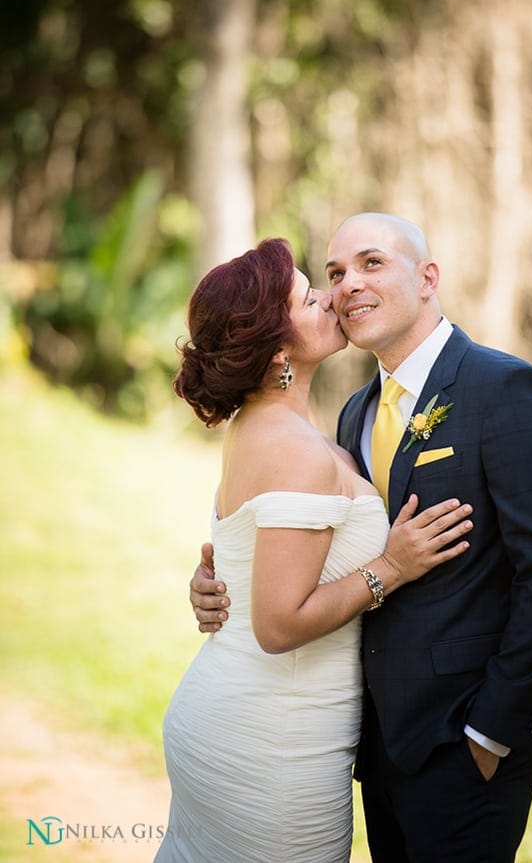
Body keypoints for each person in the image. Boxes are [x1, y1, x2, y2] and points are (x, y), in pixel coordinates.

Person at [192, 214, 532, 863]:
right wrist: (222, 580)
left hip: (467, 742)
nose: (349, 284)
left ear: (427, 278)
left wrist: (491, 733)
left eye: (372, 262)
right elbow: (313, 541)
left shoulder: (506, 390)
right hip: (375, 745)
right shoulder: (356, 413)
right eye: (335, 272)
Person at [154, 237, 473, 863]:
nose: (331, 297)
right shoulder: (293, 448)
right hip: (271, 738)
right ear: (278, 346)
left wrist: (215, 586)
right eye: (309, 296)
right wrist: (392, 566)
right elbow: (278, 625)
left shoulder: (272, 429)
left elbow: (250, 559)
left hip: (244, 711)